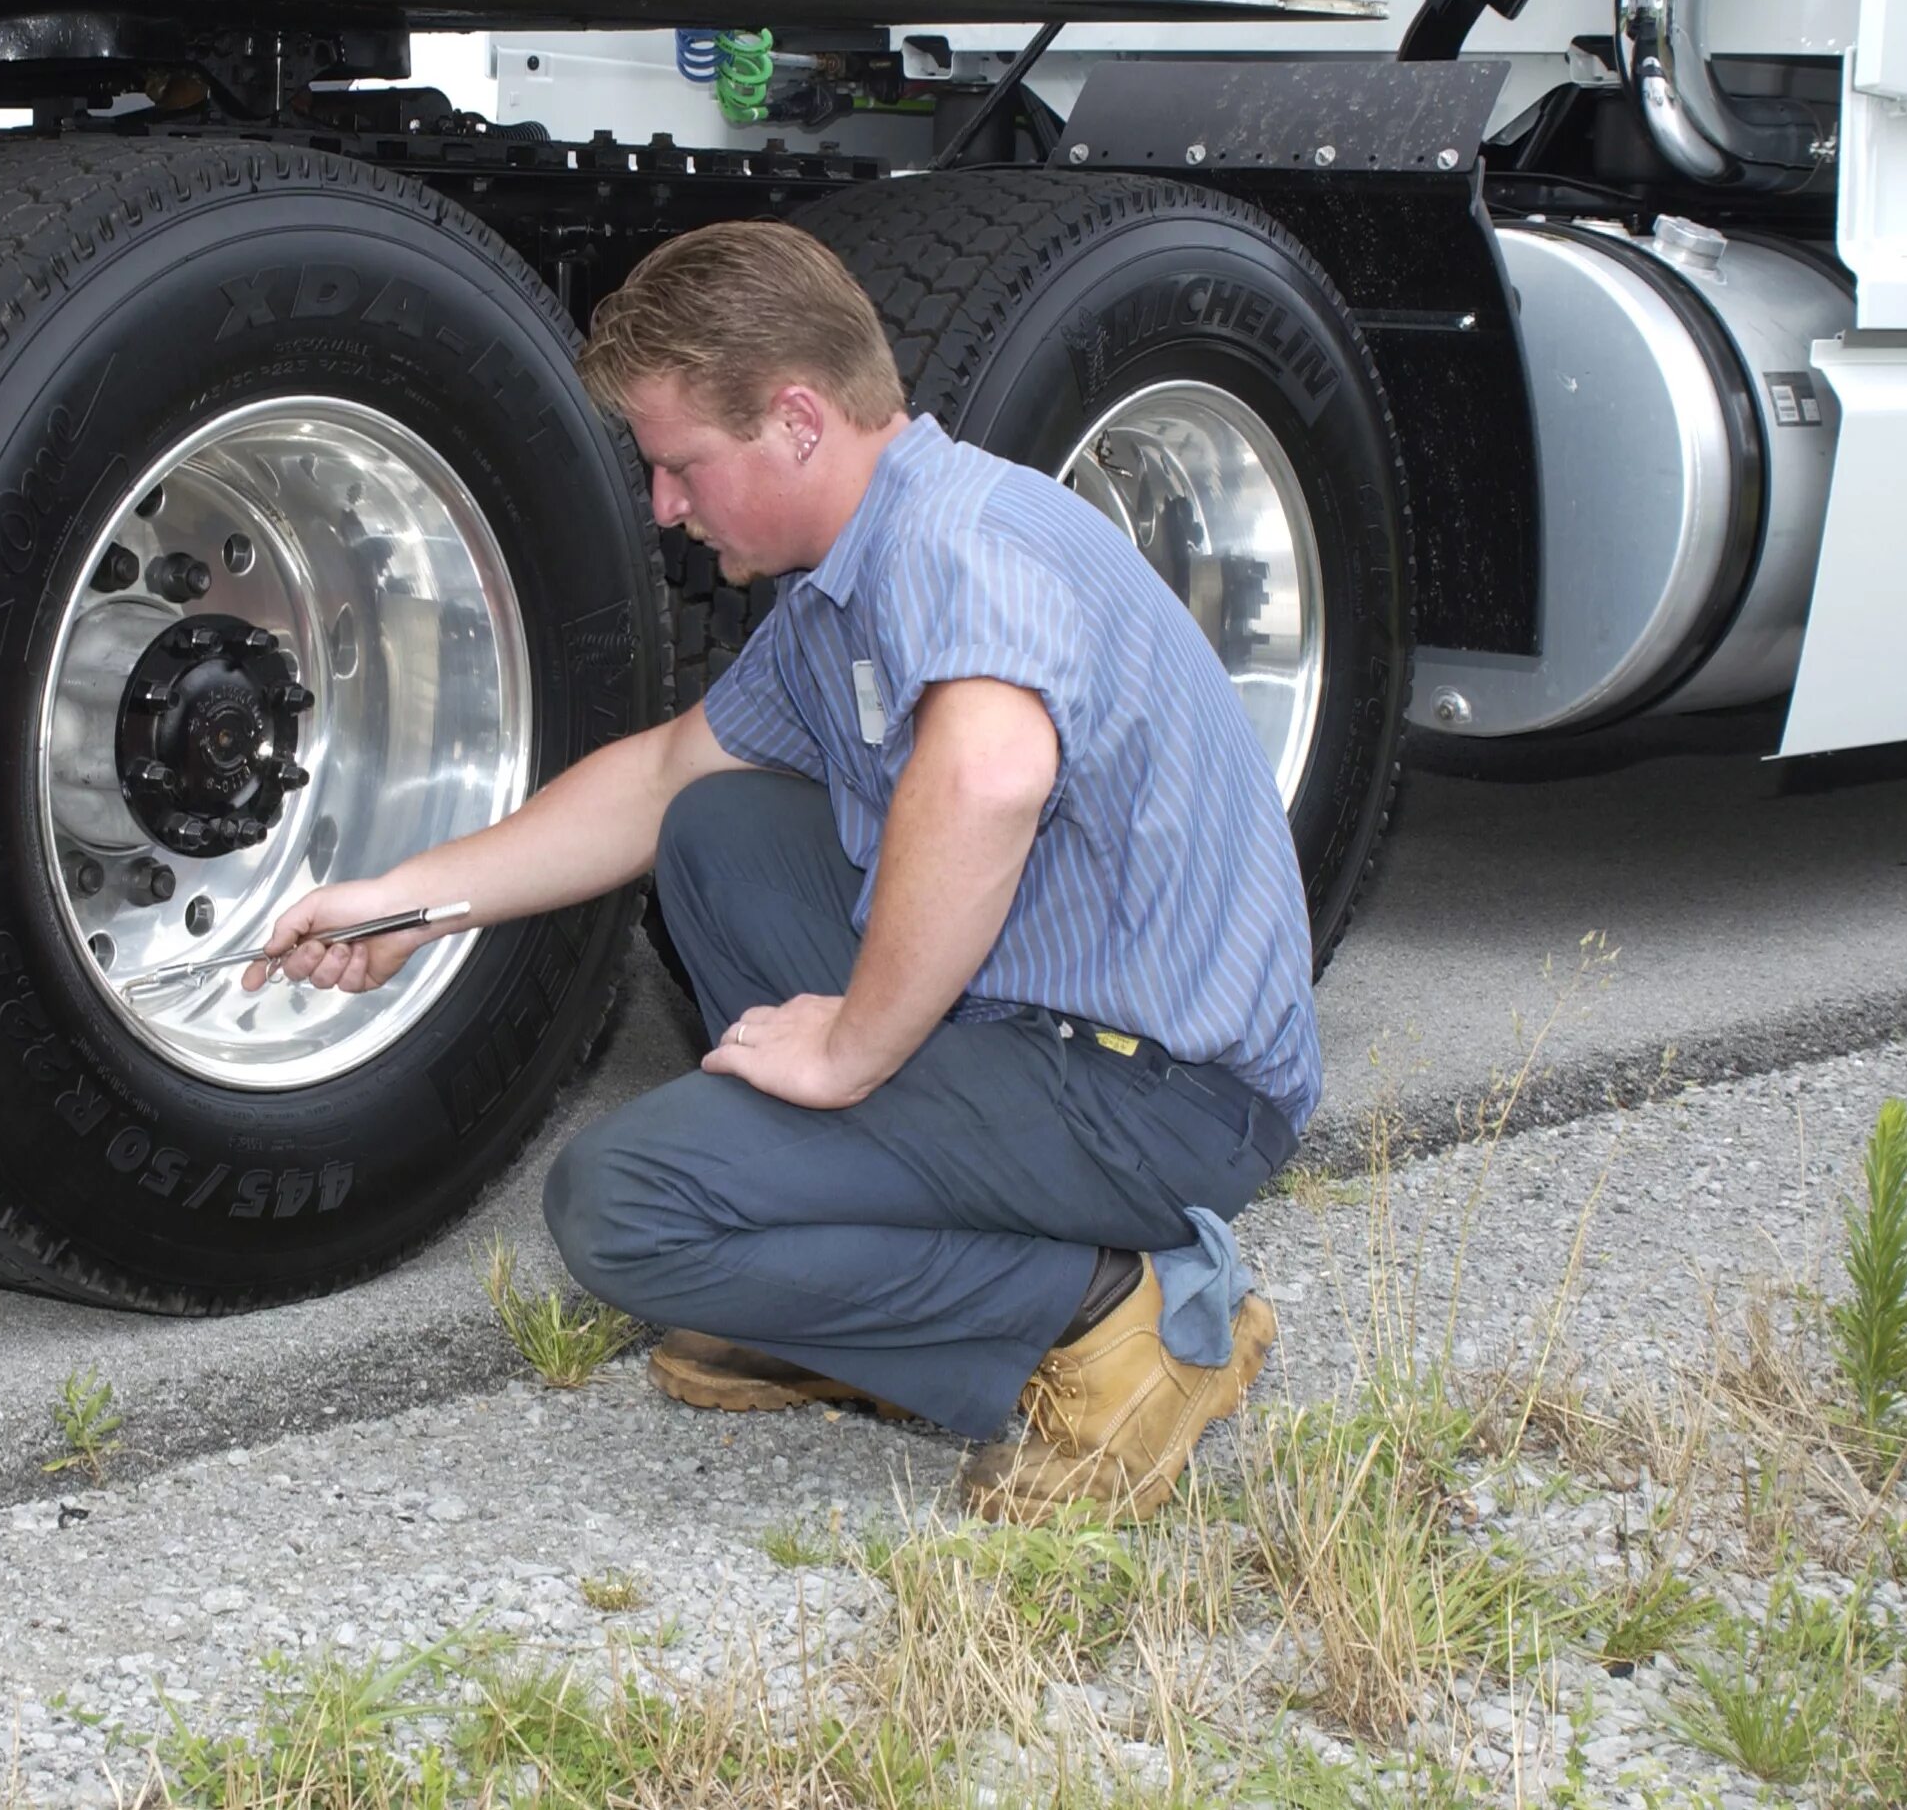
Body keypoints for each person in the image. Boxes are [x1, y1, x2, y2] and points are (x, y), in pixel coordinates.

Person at [242, 220, 1319, 1520]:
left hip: (1165, 1096)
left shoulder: (958, 544)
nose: (664, 506)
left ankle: (1121, 1321)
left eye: (681, 464)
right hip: (1048, 1022)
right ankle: (840, 1307)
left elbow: (990, 776)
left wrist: (854, 1048)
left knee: (623, 1206)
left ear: (798, 423)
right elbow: (658, 780)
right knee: (718, 831)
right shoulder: (842, 587)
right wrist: (407, 904)